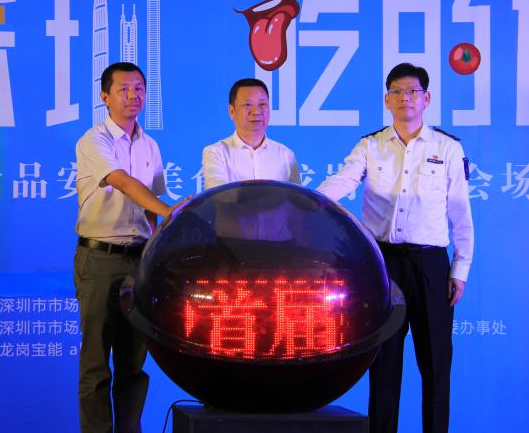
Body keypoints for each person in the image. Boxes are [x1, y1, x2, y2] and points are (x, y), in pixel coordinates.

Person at [318, 63, 474, 433]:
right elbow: (343, 181)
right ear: (387, 100)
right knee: (384, 364)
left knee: (435, 363)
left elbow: (460, 213)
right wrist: (308, 201)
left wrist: (460, 269)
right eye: (397, 92)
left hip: (431, 265)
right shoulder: (371, 146)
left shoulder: (447, 148)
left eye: (413, 91)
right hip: (383, 264)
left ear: (426, 98)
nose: (406, 98)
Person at [74, 62, 179, 433]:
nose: (133, 96)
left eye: (139, 89)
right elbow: (122, 182)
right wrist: (168, 210)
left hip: (139, 260)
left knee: (133, 364)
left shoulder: (150, 145)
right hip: (100, 258)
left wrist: (162, 238)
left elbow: (151, 207)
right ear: (105, 96)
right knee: (96, 364)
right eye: (123, 89)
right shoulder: (94, 140)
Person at [202, 78, 300, 189]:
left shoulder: (286, 155)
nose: (256, 111)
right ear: (232, 111)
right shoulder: (216, 153)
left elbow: (298, 198)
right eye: (248, 104)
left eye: (262, 104)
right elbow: (218, 194)